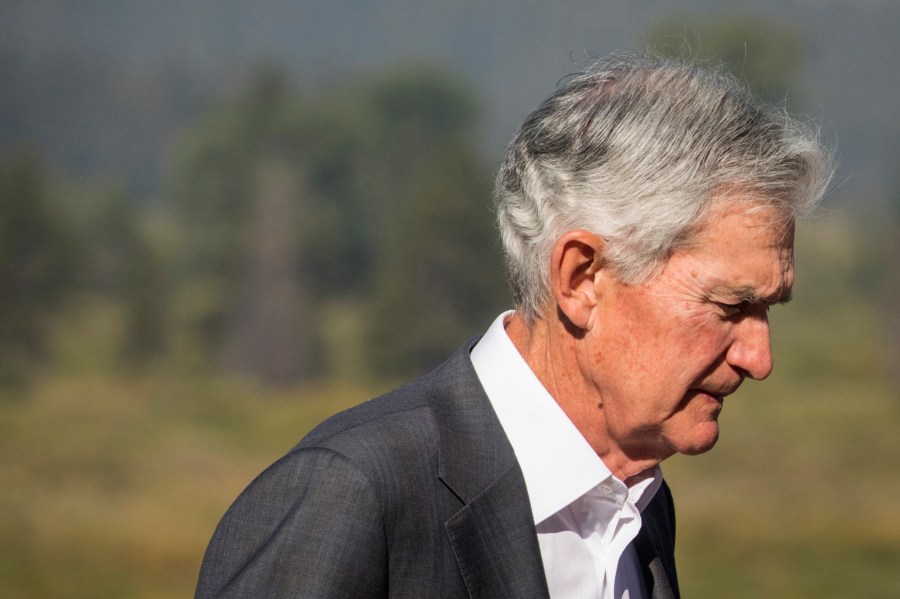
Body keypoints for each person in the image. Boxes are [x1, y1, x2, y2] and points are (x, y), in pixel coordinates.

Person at [195, 55, 831, 599]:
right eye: (728, 307)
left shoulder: (639, 510)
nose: (759, 357)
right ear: (582, 278)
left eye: (769, 310)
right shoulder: (349, 497)